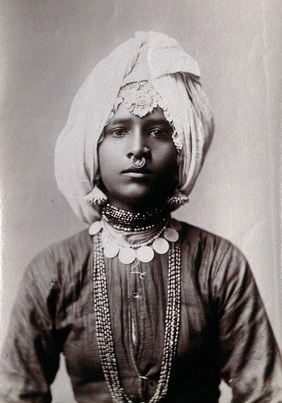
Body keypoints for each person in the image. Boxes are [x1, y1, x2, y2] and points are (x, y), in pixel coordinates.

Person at [0, 31, 281, 403]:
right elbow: (16, 393)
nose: (138, 149)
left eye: (159, 131)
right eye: (118, 131)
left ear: (181, 152)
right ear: (91, 152)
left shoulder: (219, 264)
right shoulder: (55, 270)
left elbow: (265, 392)